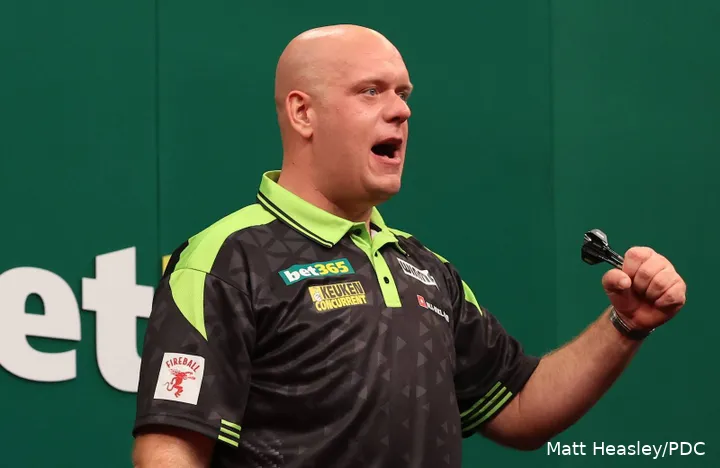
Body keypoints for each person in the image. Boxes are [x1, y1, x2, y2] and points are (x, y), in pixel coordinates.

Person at [131, 24, 687, 468]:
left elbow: (520, 409)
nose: (401, 110)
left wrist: (626, 325)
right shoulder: (226, 261)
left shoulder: (427, 270)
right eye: (371, 91)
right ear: (303, 113)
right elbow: (171, 450)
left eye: (403, 93)